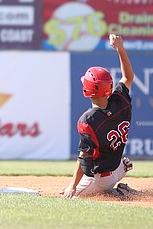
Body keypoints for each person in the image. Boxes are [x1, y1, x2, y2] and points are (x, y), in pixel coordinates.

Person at [60, 34, 135, 198]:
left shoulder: (88, 120)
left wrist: (72, 186)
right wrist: (120, 49)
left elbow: (84, 157)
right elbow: (128, 77)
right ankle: (116, 183)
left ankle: (115, 191)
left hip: (103, 178)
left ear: (87, 90)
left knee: (71, 197)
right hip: (119, 166)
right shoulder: (120, 101)